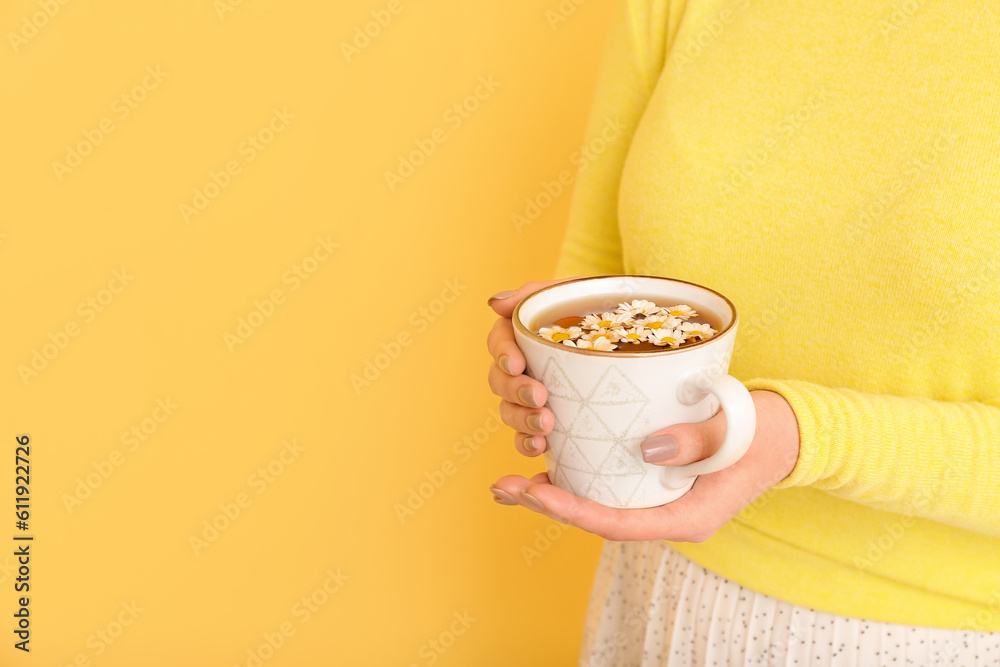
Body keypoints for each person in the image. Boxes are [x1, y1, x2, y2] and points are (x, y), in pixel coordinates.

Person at [485, 1, 1000, 664]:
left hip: (936, 637)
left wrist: (804, 436)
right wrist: (542, 361)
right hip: (660, 597)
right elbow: (598, 270)